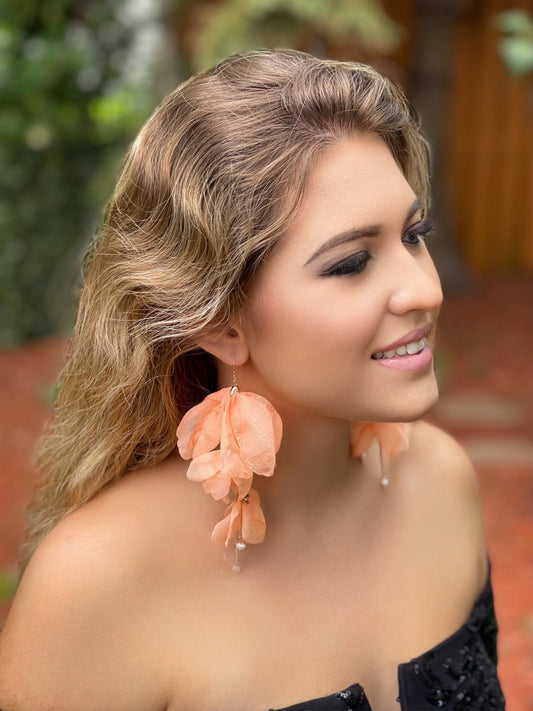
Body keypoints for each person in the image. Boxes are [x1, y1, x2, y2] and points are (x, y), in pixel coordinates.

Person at [0, 49, 505, 711]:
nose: (421, 289)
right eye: (351, 261)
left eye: (414, 234)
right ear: (221, 323)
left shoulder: (438, 480)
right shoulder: (98, 580)